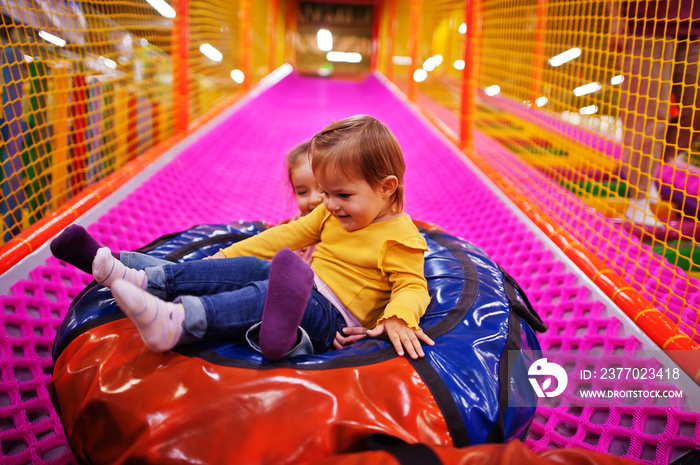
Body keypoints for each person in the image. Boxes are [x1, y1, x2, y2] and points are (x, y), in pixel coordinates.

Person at [66, 115, 435, 361]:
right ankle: (139, 276)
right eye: (324, 193)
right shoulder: (329, 213)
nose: (329, 204)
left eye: (342, 195)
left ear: (386, 188)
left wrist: (398, 319)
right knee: (255, 268)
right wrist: (224, 259)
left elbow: (412, 286)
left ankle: (179, 321)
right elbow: (282, 237)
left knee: (273, 291)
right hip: (306, 289)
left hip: (331, 318)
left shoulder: (399, 237)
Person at [608, 1, 700, 232]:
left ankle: (647, 170)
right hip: (648, 22)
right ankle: (638, 200)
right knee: (649, 114)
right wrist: (616, 17)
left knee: (694, 112)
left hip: (696, 25)